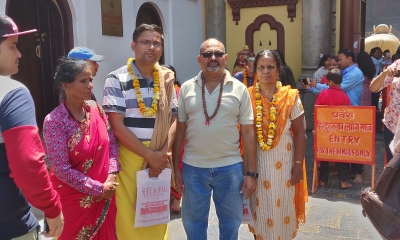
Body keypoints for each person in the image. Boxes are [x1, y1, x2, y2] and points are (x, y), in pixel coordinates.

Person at [172, 38, 257, 240]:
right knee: (193, 225)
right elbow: (180, 129)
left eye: (218, 54)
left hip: (230, 168)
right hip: (193, 168)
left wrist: (251, 173)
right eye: (207, 54)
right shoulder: (186, 88)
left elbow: (248, 132)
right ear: (199, 59)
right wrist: (175, 166)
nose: (213, 58)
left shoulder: (239, 89)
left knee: (230, 225)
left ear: (226, 58)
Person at [102, 23, 176, 239]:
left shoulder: (166, 78)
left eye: (157, 43)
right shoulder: (116, 79)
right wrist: (149, 156)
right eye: (145, 42)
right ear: (133, 45)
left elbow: (174, 119)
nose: (151, 47)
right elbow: (117, 126)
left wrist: (161, 153)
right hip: (130, 158)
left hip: (161, 156)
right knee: (129, 217)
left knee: (156, 217)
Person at [0, 14, 64, 240]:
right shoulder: (11, 92)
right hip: (10, 226)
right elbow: (28, 163)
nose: (19, 54)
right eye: (13, 46)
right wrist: (52, 207)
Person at [42, 58, 120, 240]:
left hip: (106, 194)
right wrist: (98, 189)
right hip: (74, 201)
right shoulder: (55, 121)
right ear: (66, 85)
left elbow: (112, 142)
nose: (90, 85)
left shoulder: (96, 109)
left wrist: (112, 174)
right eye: (83, 81)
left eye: (91, 80)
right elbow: (61, 169)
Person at [247, 49, 307, 239]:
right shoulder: (246, 97)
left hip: (286, 168)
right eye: (261, 67)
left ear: (278, 70)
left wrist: (298, 165)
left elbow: (300, 133)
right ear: (254, 71)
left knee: (283, 213)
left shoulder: (290, 97)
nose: (266, 71)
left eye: (270, 67)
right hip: (257, 166)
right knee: (260, 211)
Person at [316, 69, 352, 188]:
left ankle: (323, 180)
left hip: (324, 130)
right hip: (339, 131)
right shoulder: (344, 97)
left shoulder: (323, 94)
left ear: (330, 82)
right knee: (341, 154)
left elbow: (316, 112)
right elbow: (347, 116)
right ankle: (343, 181)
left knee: (324, 155)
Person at [370, 58, 400, 163]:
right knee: (392, 165)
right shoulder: (397, 64)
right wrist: (385, 72)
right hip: (392, 124)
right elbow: (373, 88)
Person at [163, 64, 182, 212]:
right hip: (160, 137)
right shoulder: (156, 90)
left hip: (178, 137)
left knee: (176, 167)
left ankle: (176, 198)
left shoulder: (179, 92)